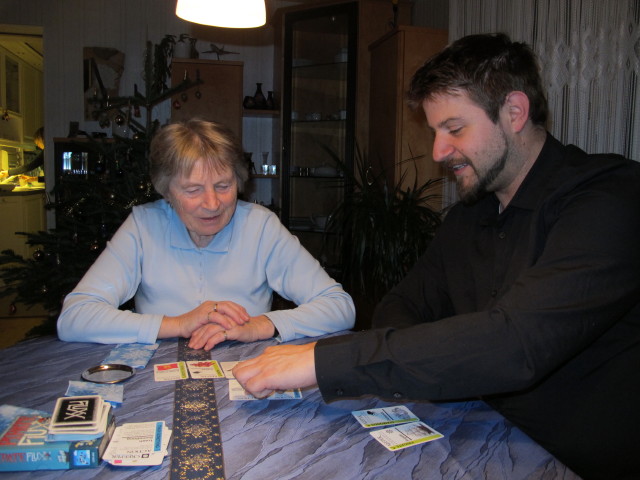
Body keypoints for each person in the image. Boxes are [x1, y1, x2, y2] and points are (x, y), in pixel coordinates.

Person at [233, 33, 640, 480]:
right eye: (435, 132)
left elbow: (514, 343)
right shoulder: (473, 212)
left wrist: (324, 361)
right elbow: (402, 305)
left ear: (515, 112)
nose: (438, 152)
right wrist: (427, 364)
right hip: (475, 444)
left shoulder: (611, 198)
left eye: (455, 128)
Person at [57, 119, 355, 349]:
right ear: (166, 191)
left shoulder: (260, 226)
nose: (212, 204)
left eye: (224, 186)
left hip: (247, 378)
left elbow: (339, 308)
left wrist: (261, 324)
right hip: (157, 384)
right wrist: (178, 324)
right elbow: (74, 318)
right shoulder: (144, 226)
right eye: (192, 189)